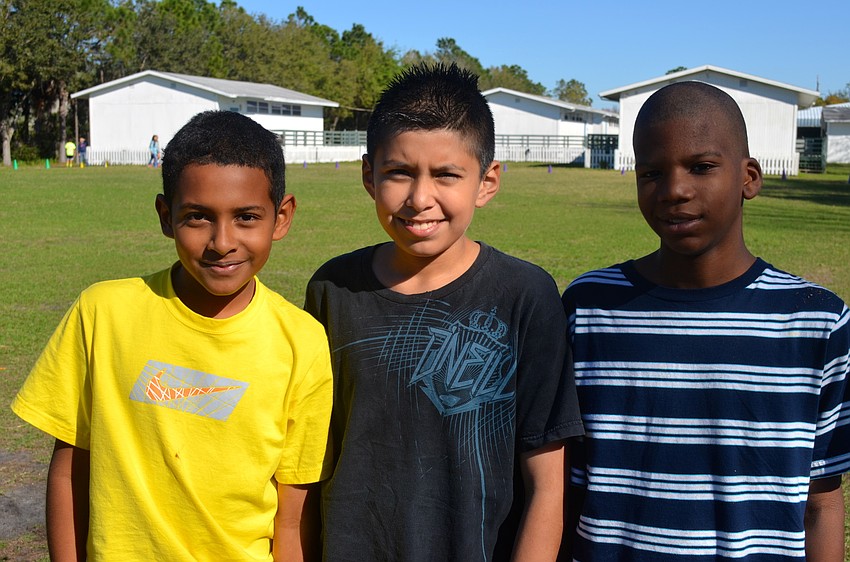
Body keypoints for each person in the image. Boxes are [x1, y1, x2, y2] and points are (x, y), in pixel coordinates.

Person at [11, 110, 334, 561]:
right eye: (198, 217)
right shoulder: (102, 314)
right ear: (166, 216)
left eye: (246, 217)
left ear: (281, 217)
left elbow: (292, 515)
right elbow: (70, 470)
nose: (222, 242)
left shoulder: (302, 342)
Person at [304, 63, 583, 562]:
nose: (419, 199)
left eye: (447, 175)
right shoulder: (332, 289)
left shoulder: (525, 295)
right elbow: (308, 462)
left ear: (487, 181)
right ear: (369, 176)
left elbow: (547, 483)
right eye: (399, 173)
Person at [561, 81, 849, 561]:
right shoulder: (589, 308)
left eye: (701, 167)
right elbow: (563, 484)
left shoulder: (814, 322)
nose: (674, 190)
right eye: (652, 173)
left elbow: (820, 503)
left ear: (749, 178)